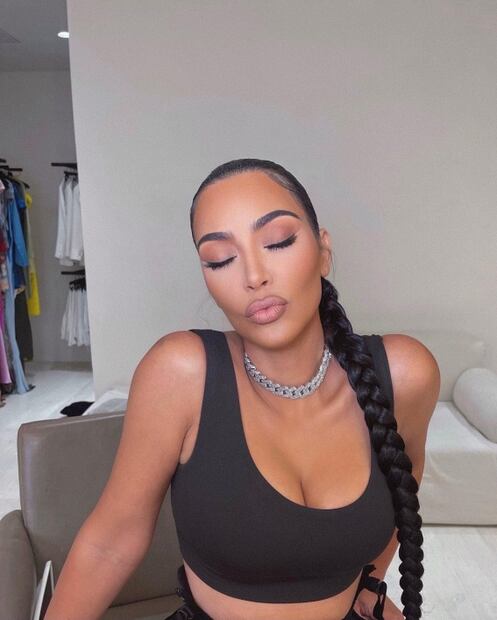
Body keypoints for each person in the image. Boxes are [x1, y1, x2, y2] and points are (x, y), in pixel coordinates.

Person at [45, 158, 440, 620]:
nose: (253, 276)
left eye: (278, 241)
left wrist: (371, 583)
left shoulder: (404, 374)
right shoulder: (180, 373)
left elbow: (405, 479)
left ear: (323, 250)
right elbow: (110, 542)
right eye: (220, 259)